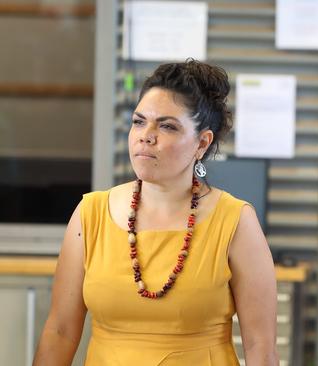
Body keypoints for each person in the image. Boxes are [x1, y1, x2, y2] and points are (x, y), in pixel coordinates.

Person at [33, 60, 278, 365]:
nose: (146, 135)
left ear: (202, 143)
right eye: (138, 121)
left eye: (167, 126)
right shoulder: (90, 214)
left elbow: (261, 347)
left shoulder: (235, 220)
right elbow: (60, 331)